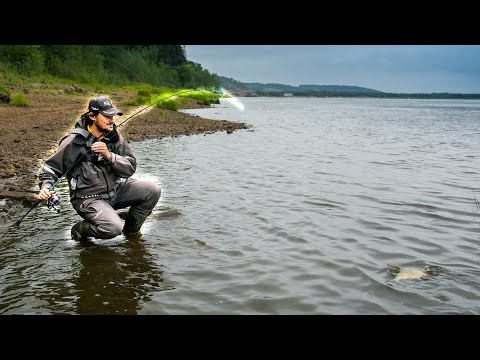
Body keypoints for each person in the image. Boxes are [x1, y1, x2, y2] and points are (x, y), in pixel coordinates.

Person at [37, 96, 161, 241]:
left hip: (116, 190)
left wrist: (109, 156)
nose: (111, 120)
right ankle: (79, 230)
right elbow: (50, 170)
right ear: (92, 116)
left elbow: (130, 168)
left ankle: (130, 235)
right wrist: (45, 187)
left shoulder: (115, 138)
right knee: (113, 228)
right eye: (107, 115)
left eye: (113, 115)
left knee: (153, 190)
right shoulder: (72, 142)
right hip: (89, 199)